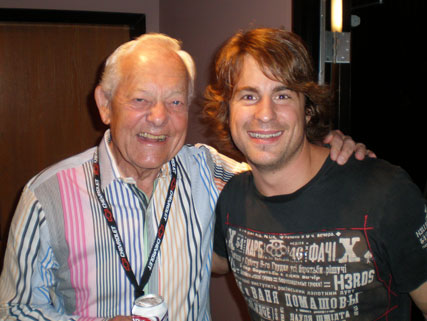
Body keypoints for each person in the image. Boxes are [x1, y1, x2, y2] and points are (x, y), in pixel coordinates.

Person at [0, 33, 368, 321]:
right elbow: (13, 311)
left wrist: (327, 147)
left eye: (175, 102)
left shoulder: (208, 172)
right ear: (104, 104)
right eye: (140, 100)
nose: (159, 118)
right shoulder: (46, 196)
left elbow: (283, 175)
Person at [208, 28, 427, 321]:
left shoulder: (385, 192)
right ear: (228, 111)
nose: (265, 113)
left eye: (282, 95)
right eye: (249, 96)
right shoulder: (232, 198)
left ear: (307, 110)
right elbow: (213, 261)